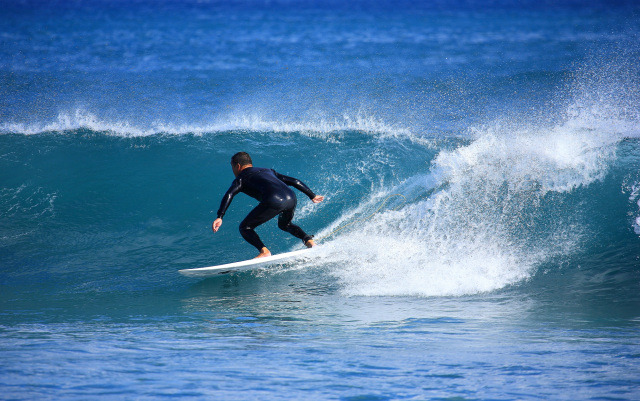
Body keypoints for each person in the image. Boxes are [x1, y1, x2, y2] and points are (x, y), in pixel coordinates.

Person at [212, 152, 324, 258]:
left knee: (245, 227)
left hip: (274, 200)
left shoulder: (241, 178)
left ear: (238, 166)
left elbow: (229, 194)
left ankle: (264, 251)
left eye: (232, 167)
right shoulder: (268, 170)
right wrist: (312, 195)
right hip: (291, 197)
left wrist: (220, 216)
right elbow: (294, 181)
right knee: (285, 224)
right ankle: (309, 242)